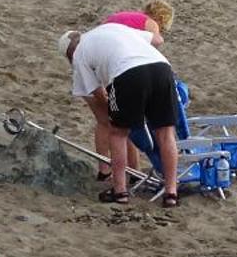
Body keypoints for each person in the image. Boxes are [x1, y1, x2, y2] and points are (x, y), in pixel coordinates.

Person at [61, 22, 180, 207]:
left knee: (118, 133)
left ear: (69, 54)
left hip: (127, 74)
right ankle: (171, 192)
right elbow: (156, 39)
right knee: (166, 132)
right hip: (161, 68)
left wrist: (116, 113)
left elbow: (97, 93)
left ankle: (120, 191)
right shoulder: (113, 28)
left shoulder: (79, 55)